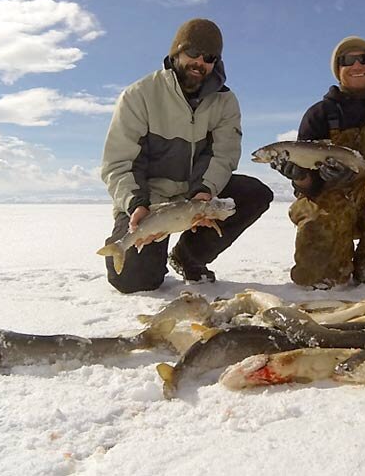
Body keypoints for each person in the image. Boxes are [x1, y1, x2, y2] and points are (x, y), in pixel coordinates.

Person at [100, 18, 273, 293]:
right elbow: (118, 164)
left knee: (254, 193)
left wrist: (204, 194)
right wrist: (137, 205)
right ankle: (144, 253)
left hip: (196, 195)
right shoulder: (139, 95)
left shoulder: (225, 102)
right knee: (132, 280)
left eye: (209, 57)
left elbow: (224, 155)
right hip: (149, 201)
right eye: (192, 53)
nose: (199, 63)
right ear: (176, 53)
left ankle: (188, 257)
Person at [270, 36, 365, 290]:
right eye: (347, 61)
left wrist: (354, 171)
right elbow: (306, 189)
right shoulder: (317, 114)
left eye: (363, 59)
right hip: (329, 200)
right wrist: (300, 176)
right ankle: (336, 267)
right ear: (338, 69)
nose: (356, 66)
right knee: (319, 279)